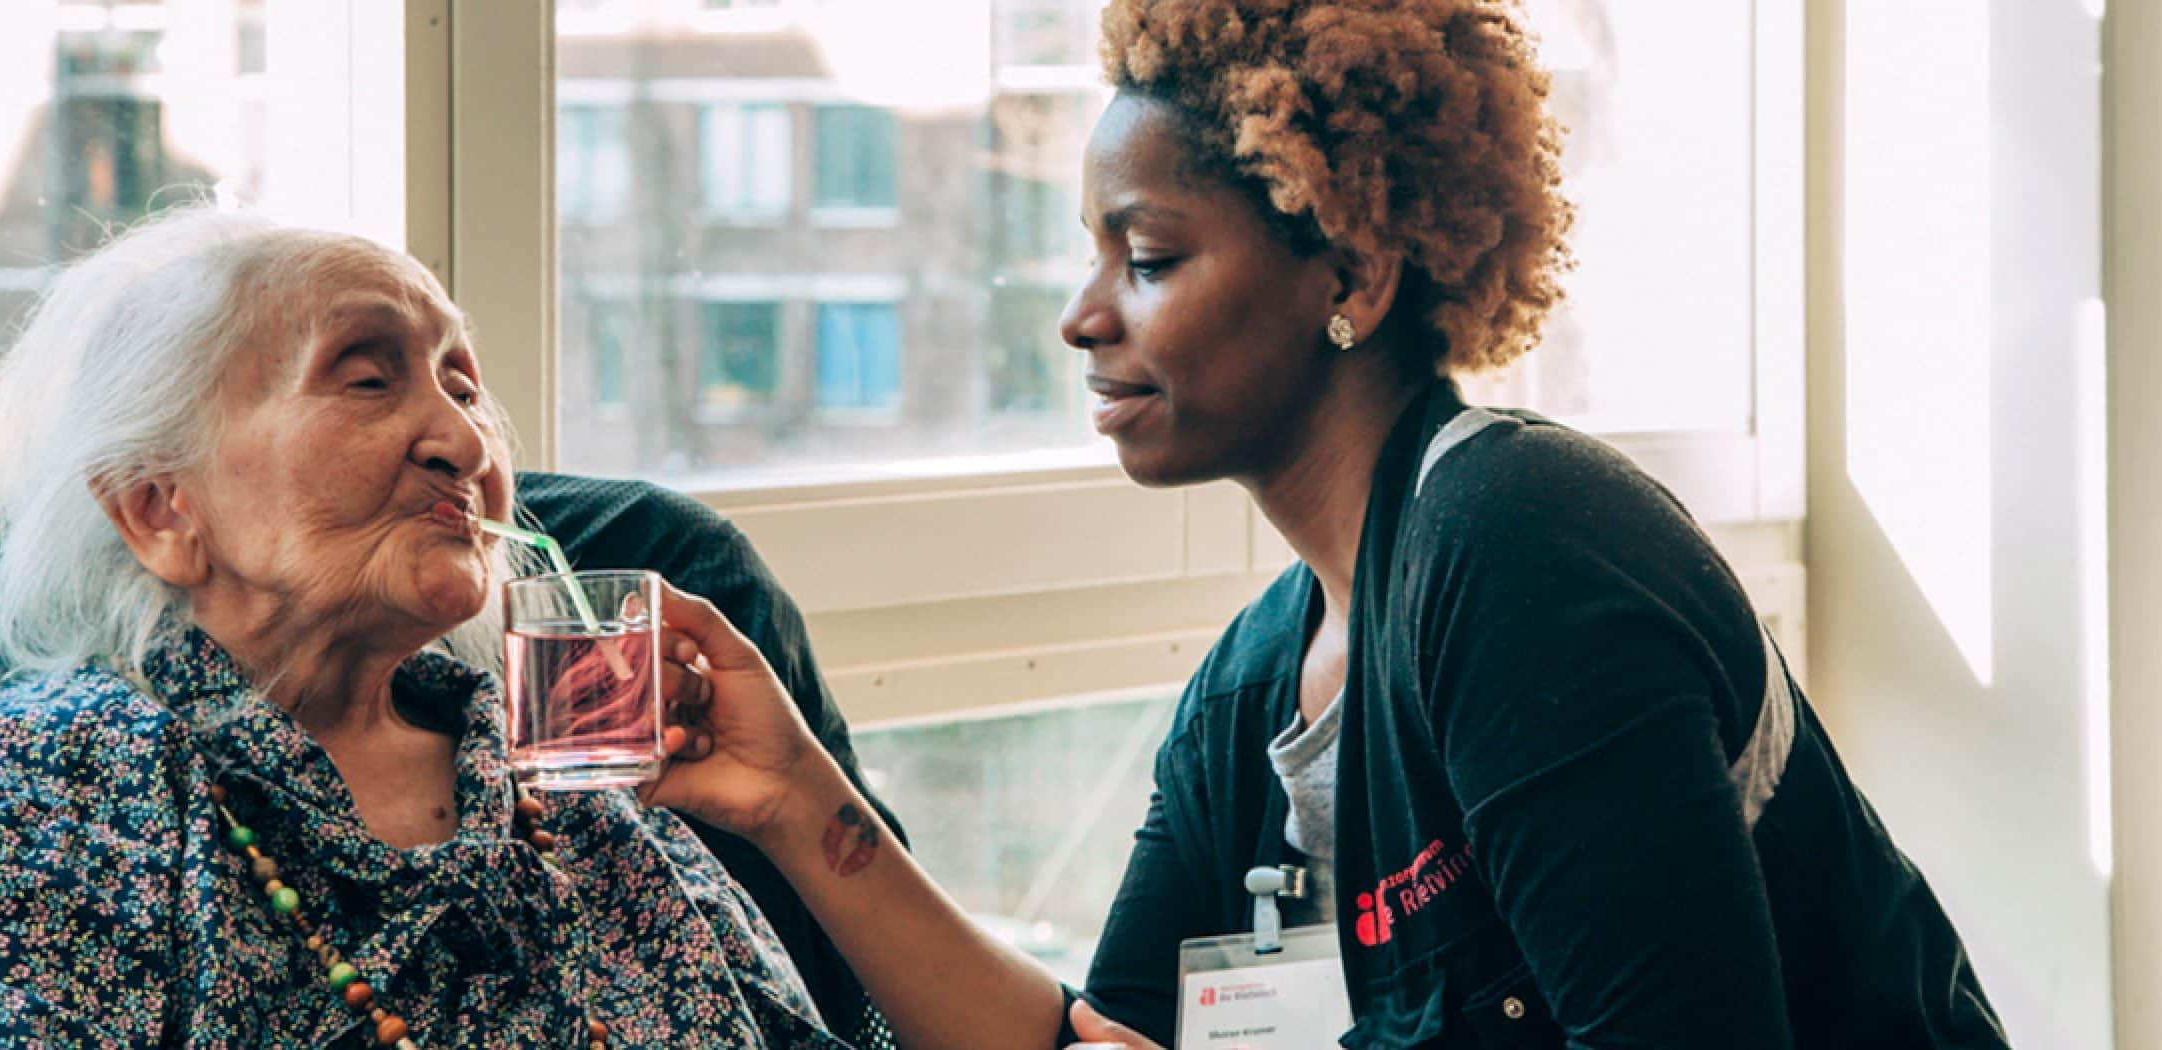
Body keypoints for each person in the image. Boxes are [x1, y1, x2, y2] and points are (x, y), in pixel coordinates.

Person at [639, 0, 2013, 1047]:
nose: (1082, 314)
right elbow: (1100, 1043)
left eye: (1151, 256)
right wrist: (796, 797)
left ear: (1347, 269)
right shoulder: (1249, 694)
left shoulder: (1519, 552)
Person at [0, 209, 868, 1048]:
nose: (468, 441)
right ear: (158, 506)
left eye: (463, 386)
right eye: (368, 377)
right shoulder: (37, 788)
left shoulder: (566, 785)